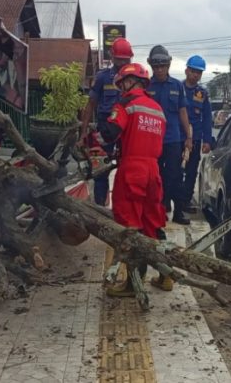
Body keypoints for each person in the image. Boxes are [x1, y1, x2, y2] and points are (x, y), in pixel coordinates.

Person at [98, 63, 167, 297]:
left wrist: (94, 135)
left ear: (130, 82)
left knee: (131, 227)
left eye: (122, 84)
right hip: (153, 170)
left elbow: (110, 133)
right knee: (152, 223)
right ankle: (166, 275)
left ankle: (132, 285)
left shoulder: (126, 105)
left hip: (132, 168)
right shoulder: (157, 108)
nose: (121, 88)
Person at [80, 37, 133, 206]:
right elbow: (91, 105)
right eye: (120, 59)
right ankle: (100, 208)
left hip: (126, 129)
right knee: (101, 170)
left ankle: (124, 208)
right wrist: (83, 132)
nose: (123, 63)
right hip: (105, 128)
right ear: (112, 57)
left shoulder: (135, 78)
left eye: (126, 60)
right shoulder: (102, 77)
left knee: (128, 170)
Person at [147, 45, 193, 225]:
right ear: (151, 66)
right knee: (154, 177)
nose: (159, 70)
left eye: (162, 66)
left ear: (168, 65)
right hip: (152, 140)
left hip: (173, 140)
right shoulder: (147, 86)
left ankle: (179, 212)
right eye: (156, 67)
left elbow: (183, 112)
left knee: (175, 176)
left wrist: (188, 138)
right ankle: (159, 210)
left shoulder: (177, 86)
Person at [181, 55, 213, 213]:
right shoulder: (177, 88)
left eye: (199, 73)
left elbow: (207, 117)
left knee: (192, 170)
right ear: (186, 70)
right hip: (177, 136)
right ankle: (167, 200)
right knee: (173, 170)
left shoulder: (203, 94)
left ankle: (186, 201)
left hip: (196, 137)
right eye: (193, 71)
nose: (195, 75)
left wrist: (207, 140)